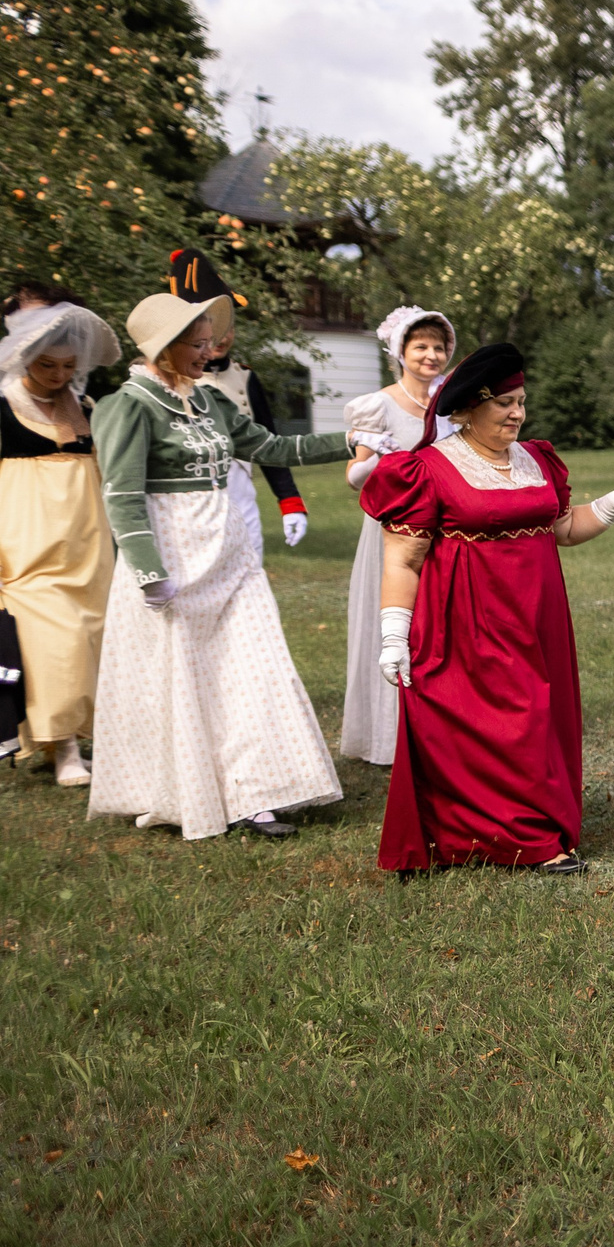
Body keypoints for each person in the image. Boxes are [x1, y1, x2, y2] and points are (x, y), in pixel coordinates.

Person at [362, 342, 614, 873]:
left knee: (536, 720)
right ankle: (519, 842)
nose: (517, 413)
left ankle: (528, 829)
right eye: (504, 403)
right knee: (489, 725)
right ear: (468, 409)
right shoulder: (428, 469)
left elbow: (565, 529)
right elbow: (403, 559)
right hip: (466, 619)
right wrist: (395, 632)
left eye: (521, 402)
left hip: (537, 615)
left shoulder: (536, 459)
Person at [86, 293, 353, 840]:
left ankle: (258, 793)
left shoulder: (210, 401)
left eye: (211, 341)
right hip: (174, 557)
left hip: (230, 553)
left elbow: (271, 446)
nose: (211, 351)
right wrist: (146, 567)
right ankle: (191, 790)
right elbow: (123, 494)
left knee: (252, 669)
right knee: (186, 677)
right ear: (165, 347)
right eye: (199, 343)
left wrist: (349, 442)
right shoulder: (128, 405)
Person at [0, 298, 121, 783]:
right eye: (47, 364)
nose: (57, 374)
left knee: (89, 633)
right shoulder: (4, 406)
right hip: (26, 537)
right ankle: (64, 747)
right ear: (25, 357)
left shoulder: (88, 407)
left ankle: (68, 741)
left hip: (86, 536)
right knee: (54, 637)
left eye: (69, 366)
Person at [339, 306, 455, 765]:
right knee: (395, 625)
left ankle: (436, 729)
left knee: (437, 624)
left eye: (439, 347)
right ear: (400, 352)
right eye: (421, 346)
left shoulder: (449, 403)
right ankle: (388, 737)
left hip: (444, 528)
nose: (431, 355)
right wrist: (377, 463)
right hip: (394, 528)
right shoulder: (380, 404)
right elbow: (355, 476)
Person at [169, 249, 309, 553]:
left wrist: (289, 501)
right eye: (207, 330)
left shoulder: (245, 377)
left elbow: (269, 443)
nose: (220, 338)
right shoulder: (170, 380)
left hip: (241, 491)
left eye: (227, 327)